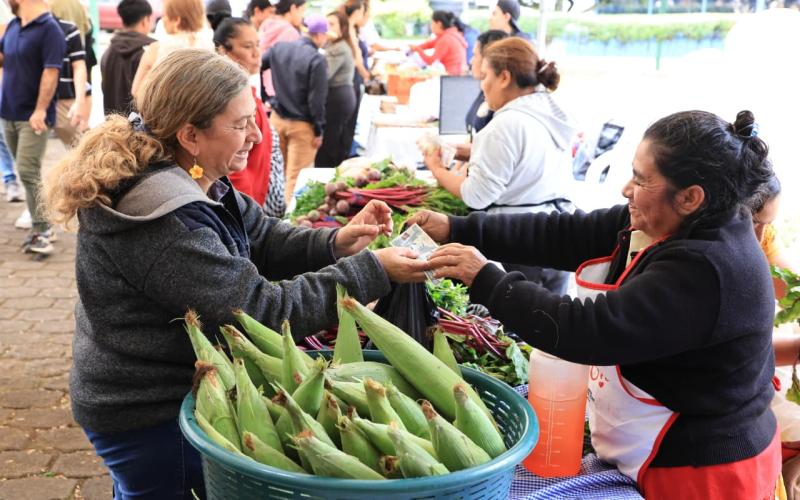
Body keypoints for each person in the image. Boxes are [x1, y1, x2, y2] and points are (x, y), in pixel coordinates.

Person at [42, 48, 428, 499]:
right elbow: (259, 311)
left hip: (163, 389)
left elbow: (260, 236)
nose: (257, 137)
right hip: (148, 410)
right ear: (190, 134)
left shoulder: (192, 172)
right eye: (240, 124)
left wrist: (334, 242)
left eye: (254, 120)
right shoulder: (165, 218)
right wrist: (370, 272)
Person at [411, 109, 781, 499]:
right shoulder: (667, 220)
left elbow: (587, 330)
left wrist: (484, 278)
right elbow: (562, 233)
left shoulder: (709, 268)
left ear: (690, 197)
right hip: (648, 446)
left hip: (700, 471)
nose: (626, 189)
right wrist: (457, 227)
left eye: (641, 180)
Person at [424, 37, 576, 294]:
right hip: (559, 234)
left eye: (485, 76)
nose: (482, 86)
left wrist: (436, 168)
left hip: (520, 242)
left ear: (504, 77)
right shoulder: (548, 111)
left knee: (518, 326)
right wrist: (465, 153)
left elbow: (476, 195)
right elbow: (521, 160)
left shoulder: (506, 124)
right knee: (550, 325)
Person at [0, 0, 65, 254]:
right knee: (25, 169)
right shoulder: (15, 25)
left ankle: (43, 229)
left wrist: (40, 110)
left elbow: (51, 72)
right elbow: (4, 58)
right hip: (9, 112)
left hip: (33, 116)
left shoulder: (50, 29)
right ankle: (41, 223)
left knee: (28, 169)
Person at [213, 15, 286, 216]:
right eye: (247, 46)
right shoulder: (227, 100)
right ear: (223, 51)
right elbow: (232, 167)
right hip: (247, 201)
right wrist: (249, 215)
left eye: (257, 45)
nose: (256, 53)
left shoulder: (248, 91)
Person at [262, 14, 328, 201]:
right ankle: (290, 227)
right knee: (297, 179)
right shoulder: (317, 59)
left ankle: (272, 221)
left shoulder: (279, 48)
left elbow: (259, 65)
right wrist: (319, 130)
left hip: (276, 119)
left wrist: (267, 95)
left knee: (277, 175)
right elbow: (316, 101)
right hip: (303, 125)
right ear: (320, 35)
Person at [131, 0, 214, 99]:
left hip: (164, 112)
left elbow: (136, 91)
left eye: (165, 15)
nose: (162, 20)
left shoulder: (156, 50)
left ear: (176, 20)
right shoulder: (209, 46)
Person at [315, 11, 356, 168]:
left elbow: (325, 75)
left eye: (332, 24)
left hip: (338, 97)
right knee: (334, 138)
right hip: (338, 96)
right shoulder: (333, 45)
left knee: (330, 141)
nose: (327, 28)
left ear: (342, 28)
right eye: (326, 24)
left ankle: (328, 173)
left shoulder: (339, 47)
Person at [100, 0, 155, 115]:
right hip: (140, 127)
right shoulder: (149, 52)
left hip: (114, 126)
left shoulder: (108, 51)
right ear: (145, 20)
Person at [748, 175, 796, 300]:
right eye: (753, 222)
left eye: (768, 224)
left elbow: (792, 292)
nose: (760, 238)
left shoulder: (765, 237)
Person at [51, 13, 89, 148]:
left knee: (80, 147)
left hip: (63, 99)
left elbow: (79, 65)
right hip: (28, 101)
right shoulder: (16, 27)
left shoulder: (68, 29)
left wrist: (79, 101)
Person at [463, 29, 507, 139]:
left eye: (475, 55)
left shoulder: (500, 104)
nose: (471, 61)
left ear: (488, 59)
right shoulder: (485, 91)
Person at [258, 0, 304, 102]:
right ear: (293, 8)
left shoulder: (267, 23)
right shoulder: (291, 32)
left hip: (261, 85)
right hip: (279, 89)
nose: (302, 16)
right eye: (302, 10)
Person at [410, 10, 466, 76]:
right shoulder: (451, 34)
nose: (431, 26)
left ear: (439, 24)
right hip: (459, 74)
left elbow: (431, 61)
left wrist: (418, 50)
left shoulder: (445, 39)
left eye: (432, 23)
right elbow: (429, 44)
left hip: (452, 77)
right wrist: (413, 48)